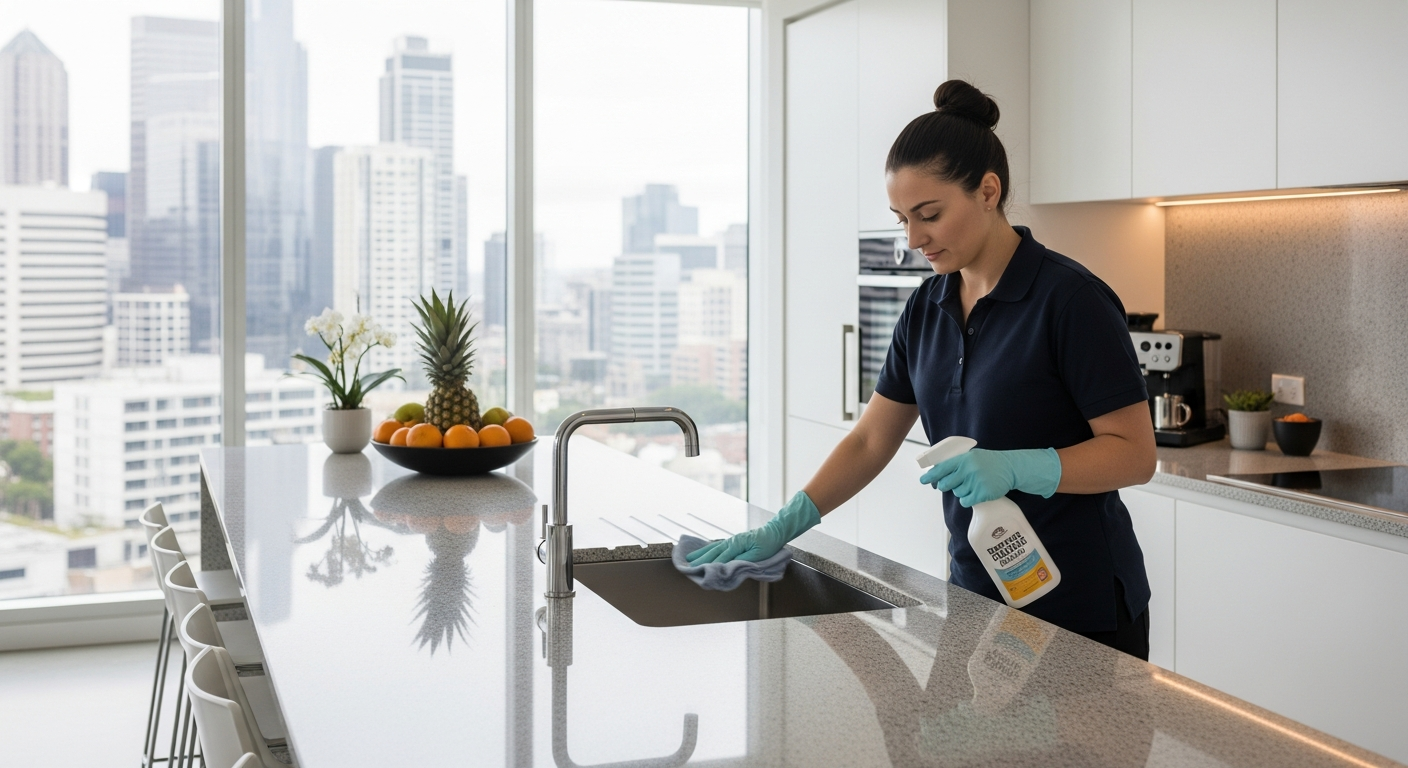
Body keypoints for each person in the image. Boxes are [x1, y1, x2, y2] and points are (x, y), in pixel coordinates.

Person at [688, 79, 1157, 659]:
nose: (913, 239)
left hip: (1082, 611)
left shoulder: (1069, 301)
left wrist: (1016, 467)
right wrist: (785, 524)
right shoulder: (926, 307)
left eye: (929, 214)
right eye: (901, 218)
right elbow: (869, 440)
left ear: (988, 191)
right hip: (975, 599)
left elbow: (1135, 454)